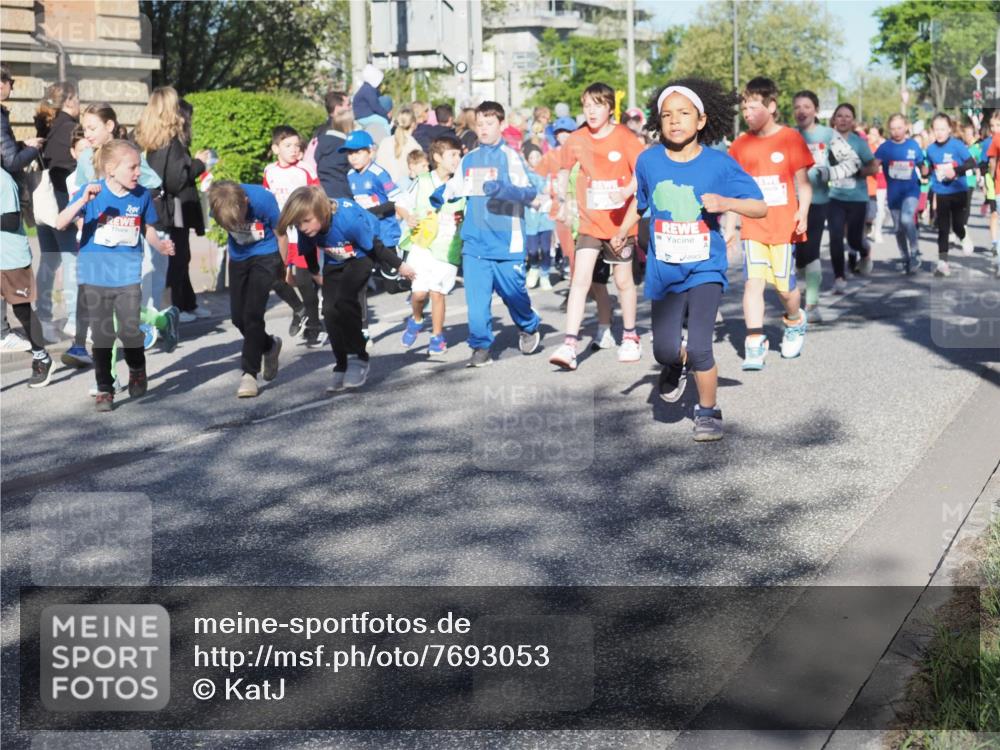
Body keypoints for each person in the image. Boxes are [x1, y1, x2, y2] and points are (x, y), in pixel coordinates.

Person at [612, 79, 766, 442]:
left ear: (701, 121)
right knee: (665, 349)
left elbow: (759, 206)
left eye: (684, 114)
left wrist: (726, 203)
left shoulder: (718, 164)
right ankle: (676, 364)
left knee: (700, 345)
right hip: (664, 270)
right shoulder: (648, 160)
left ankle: (708, 412)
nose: (675, 121)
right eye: (667, 115)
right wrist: (622, 229)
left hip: (704, 268)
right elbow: (642, 201)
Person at [55, 139, 176, 411]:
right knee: (102, 336)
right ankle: (105, 389)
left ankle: (137, 369)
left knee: (130, 331)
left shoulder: (142, 195)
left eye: (139, 167)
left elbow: (147, 228)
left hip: (127, 274)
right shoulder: (92, 192)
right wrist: (82, 202)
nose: (137, 172)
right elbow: (60, 222)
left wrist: (160, 245)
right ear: (110, 169)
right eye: (132, 167)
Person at [71, 102, 178, 372]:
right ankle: (161, 322)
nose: (88, 135)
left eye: (93, 128)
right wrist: (83, 220)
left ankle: (110, 378)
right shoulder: (86, 158)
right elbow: (83, 191)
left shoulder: (129, 154)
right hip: (96, 241)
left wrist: (127, 199)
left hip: (125, 240)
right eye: (85, 130)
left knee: (117, 312)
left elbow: (152, 183)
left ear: (110, 126)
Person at [435, 100, 541, 367]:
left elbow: (529, 193)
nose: (483, 129)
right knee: (477, 298)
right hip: (475, 241)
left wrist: (503, 189)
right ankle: (480, 346)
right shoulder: (469, 159)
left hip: (506, 240)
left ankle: (528, 324)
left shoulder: (510, 157)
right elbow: (454, 187)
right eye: (479, 124)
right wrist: (440, 195)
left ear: (501, 125)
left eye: (489, 124)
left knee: (513, 294)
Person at [278, 185, 415, 390]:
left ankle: (359, 358)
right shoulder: (307, 225)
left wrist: (400, 265)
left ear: (322, 212)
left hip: (361, 257)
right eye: (299, 223)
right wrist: (317, 275)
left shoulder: (348, 219)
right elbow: (308, 254)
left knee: (345, 300)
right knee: (330, 310)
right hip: (335, 260)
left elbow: (375, 247)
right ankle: (341, 364)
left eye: (306, 221)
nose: (303, 227)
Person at [548, 82, 644, 371]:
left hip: (620, 225)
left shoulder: (625, 137)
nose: (591, 111)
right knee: (580, 280)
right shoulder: (576, 139)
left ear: (609, 108)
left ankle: (630, 335)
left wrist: (626, 192)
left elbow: (642, 175)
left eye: (597, 105)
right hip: (590, 223)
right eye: (586, 105)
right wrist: (563, 201)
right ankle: (569, 344)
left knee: (623, 281)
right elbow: (563, 170)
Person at [728, 76, 812, 370]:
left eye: (753, 107)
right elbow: (733, 192)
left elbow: (804, 183)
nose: (747, 113)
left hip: (783, 228)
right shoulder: (740, 145)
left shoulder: (790, 138)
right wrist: (729, 229)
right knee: (753, 283)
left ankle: (794, 319)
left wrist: (803, 211)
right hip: (753, 227)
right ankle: (755, 340)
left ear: (771, 106)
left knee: (785, 289)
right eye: (744, 109)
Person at [136, 86, 211, 323]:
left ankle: (185, 303)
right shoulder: (170, 142)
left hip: (155, 205)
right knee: (173, 258)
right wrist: (198, 164)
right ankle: (173, 308)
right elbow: (176, 179)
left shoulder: (146, 137)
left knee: (168, 259)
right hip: (170, 208)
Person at [206, 181, 286, 398]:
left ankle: (249, 374)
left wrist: (283, 268)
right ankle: (269, 345)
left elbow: (281, 234)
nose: (236, 224)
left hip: (266, 255)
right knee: (238, 318)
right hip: (240, 257)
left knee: (252, 315)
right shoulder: (218, 204)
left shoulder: (263, 199)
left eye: (240, 220)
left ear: (246, 202)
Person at [396, 135, 465, 355]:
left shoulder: (462, 184)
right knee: (419, 295)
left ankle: (437, 337)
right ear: (437, 157)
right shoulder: (424, 181)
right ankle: (416, 319)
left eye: (459, 154)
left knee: (438, 293)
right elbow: (401, 203)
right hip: (422, 246)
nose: (457, 159)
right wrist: (408, 217)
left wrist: (463, 217)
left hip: (447, 247)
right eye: (452, 155)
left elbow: (468, 210)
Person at [263, 125, 324, 347]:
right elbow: (268, 200)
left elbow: (318, 197)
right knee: (276, 277)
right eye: (288, 145)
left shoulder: (305, 170)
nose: (294, 149)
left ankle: (314, 326)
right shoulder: (269, 171)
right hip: (280, 233)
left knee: (303, 278)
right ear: (275, 148)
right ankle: (299, 310)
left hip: (302, 232)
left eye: (297, 145)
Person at [33, 81, 80, 344]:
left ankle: (44, 318)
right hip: (64, 203)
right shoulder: (73, 129)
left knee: (49, 261)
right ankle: (74, 319)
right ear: (70, 101)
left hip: (45, 203)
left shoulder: (46, 126)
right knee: (71, 260)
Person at [1, 167, 52, 386]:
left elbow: (12, 221)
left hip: (11, 257)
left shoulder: (3, 181)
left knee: (22, 310)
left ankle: (42, 357)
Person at [826, 103, 877, 291]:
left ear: (853, 121)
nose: (843, 119)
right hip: (834, 197)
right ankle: (839, 277)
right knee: (836, 236)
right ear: (834, 119)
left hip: (857, 198)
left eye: (848, 116)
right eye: (840, 116)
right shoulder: (828, 141)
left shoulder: (858, 143)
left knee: (854, 240)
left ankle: (865, 252)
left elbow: (874, 167)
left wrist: (858, 171)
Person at [792, 90, 833, 321]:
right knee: (798, 257)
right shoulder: (789, 136)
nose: (801, 111)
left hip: (818, 200)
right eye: (797, 107)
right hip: (793, 202)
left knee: (812, 250)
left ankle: (812, 304)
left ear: (815, 110)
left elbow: (849, 161)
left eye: (806, 106)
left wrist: (829, 173)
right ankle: (797, 292)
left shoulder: (828, 135)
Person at [873, 114, 924, 274]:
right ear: (889, 129)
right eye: (893, 128)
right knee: (898, 229)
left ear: (906, 127)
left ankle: (915, 252)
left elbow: (922, 164)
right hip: (894, 193)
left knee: (906, 218)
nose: (896, 131)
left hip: (911, 191)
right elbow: (874, 166)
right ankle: (905, 257)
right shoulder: (885, 147)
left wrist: (927, 171)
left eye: (899, 128)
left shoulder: (913, 145)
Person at [926, 112, 975, 277]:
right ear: (932, 130)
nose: (939, 132)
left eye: (942, 129)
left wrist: (955, 171)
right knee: (943, 228)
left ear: (949, 130)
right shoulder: (931, 149)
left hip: (959, 190)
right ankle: (943, 262)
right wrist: (925, 172)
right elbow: (929, 169)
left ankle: (963, 235)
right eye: (936, 129)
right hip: (941, 192)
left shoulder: (957, 145)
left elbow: (971, 163)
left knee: (957, 225)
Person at [303, 90, 354, 200]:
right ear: (337, 108)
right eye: (348, 104)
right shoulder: (331, 134)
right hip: (339, 190)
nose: (350, 108)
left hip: (322, 189)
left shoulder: (320, 131)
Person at [523, 143, 555, 291]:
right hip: (531, 216)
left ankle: (545, 274)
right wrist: (530, 200)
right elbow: (521, 192)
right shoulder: (524, 175)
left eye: (537, 156)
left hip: (546, 216)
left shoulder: (548, 173)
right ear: (527, 159)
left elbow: (555, 190)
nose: (535, 159)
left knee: (546, 248)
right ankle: (534, 268)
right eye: (531, 157)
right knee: (532, 249)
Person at [374, 107, 420, 186]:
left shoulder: (385, 141)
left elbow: (378, 166)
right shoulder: (415, 146)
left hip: (385, 188)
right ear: (413, 124)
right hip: (405, 191)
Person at [353, 64, 390, 141]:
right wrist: (386, 115)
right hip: (364, 116)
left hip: (362, 116)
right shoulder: (368, 90)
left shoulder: (367, 88)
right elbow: (376, 106)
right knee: (384, 122)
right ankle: (388, 141)